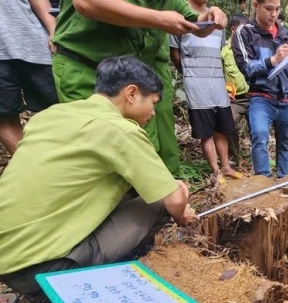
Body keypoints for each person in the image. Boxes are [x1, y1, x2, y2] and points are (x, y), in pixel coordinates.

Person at [0, 56, 197, 303]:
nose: (153, 113)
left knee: (129, 193)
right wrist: (180, 212)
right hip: (47, 273)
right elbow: (173, 200)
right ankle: (111, 278)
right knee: (159, 204)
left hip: (8, 265)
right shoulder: (120, 130)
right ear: (132, 94)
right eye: (153, 103)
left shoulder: (51, 116)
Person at [50, 0, 227, 176]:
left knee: (142, 148)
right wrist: (159, 19)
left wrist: (210, 18)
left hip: (132, 76)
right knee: (97, 154)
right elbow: (87, 4)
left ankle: (154, 199)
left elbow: (196, 21)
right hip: (86, 68)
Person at [170, 0, 242, 183]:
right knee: (206, 132)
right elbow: (175, 54)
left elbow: (218, 53)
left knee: (222, 129)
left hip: (217, 85)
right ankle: (216, 171)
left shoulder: (219, 19)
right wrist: (190, 74)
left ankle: (226, 167)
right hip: (197, 87)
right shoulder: (180, 15)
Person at [232, 0, 288, 178]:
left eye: (277, 9)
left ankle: (283, 181)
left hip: (286, 97)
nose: (274, 15)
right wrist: (273, 60)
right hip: (261, 97)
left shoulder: (284, 32)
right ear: (256, 5)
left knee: (285, 143)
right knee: (259, 136)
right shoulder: (245, 32)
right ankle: (263, 183)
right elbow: (246, 67)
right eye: (269, 9)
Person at [0, 0, 58, 154]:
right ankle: (32, 165)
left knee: (61, 108)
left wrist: (53, 29)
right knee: (4, 115)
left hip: (31, 42)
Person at [222, 14, 250, 166]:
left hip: (253, 96)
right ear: (233, 30)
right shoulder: (224, 51)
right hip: (235, 99)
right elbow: (219, 74)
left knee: (259, 126)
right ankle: (233, 159)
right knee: (229, 122)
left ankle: (259, 158)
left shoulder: (250, 47)